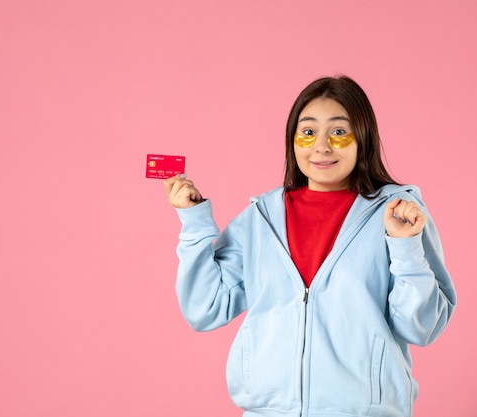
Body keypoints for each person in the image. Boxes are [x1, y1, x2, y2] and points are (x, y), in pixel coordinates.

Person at [163, 75, 456, 417]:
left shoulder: (398, 213)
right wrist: (194, 221)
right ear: (292, 140)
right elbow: (205, 307)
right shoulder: (261, 218)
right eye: (308, 132)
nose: (321, 146)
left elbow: (422, 327)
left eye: (338, 132)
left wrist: (405, 247)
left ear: (363, 137)